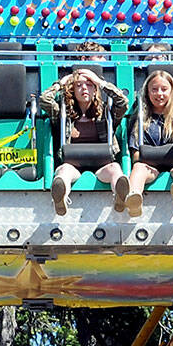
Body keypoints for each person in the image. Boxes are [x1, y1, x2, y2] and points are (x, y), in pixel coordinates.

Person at [40, 42, 129, 216]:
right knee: (63, 172)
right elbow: (45, 100)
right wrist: (60, 84)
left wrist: (99, 81)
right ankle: (60, 198)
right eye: (79, 85)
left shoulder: (105, 112)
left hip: (102, 163)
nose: (84, 88)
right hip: (73, 163)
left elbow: (123, 102)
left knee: (115, 170)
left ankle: (120, 196)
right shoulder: (63, 112)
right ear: (72, 89)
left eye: (89, 85)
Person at [111, 68, 173, 217]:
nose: (159, 94)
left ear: (171, 91)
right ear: (148, 92)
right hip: (149, 165)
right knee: (138, 168)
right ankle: (134, 199)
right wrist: (152, 157)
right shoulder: (141, 117)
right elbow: (135, 154)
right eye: (154, 90)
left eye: (164, 89)